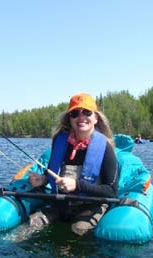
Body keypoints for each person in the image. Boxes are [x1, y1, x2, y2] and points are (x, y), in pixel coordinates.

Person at [28, 93, 118, 236]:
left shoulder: (105, 148)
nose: (81, 117)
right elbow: (53, 170)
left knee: (77, 232)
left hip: (90, 206)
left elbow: (111, 191)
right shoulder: (60, 142)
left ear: (95, 118)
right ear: (70, 119)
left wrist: (77, 185)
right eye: (75, 113)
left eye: (87, 112)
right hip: (60, 204)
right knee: (30, 226)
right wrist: (43, 179)